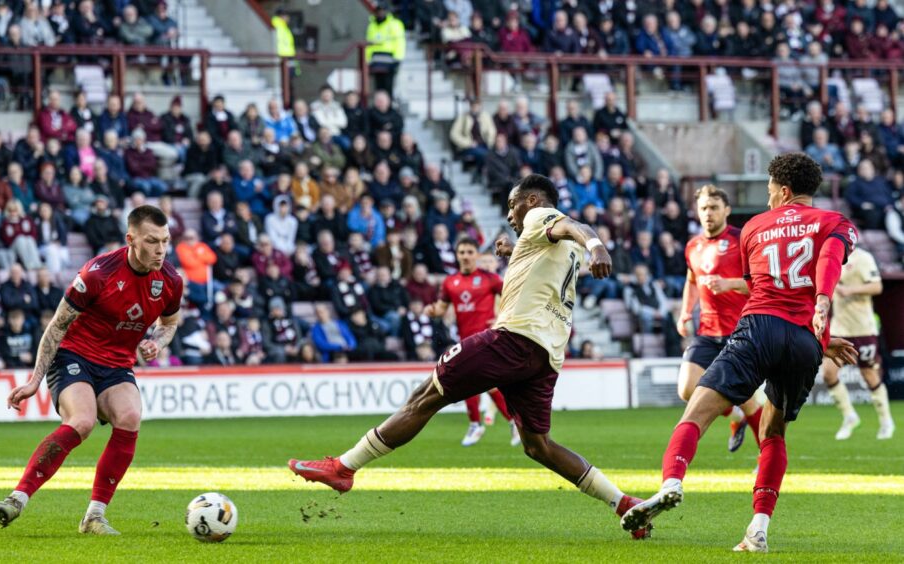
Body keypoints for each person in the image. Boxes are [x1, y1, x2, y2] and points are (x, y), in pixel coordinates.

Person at [289, 173, 653, 540]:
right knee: (537, 445)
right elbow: (549, 261)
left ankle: (344, 468)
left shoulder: (542, 216)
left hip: (513, 339)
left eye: (512, 205)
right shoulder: (561, 247)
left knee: (424, 398)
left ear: (530, 200)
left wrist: (597, 244)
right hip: (545, 357)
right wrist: (517, 252)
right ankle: (624, 503)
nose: (510, 215)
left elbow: (575, 225)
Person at [621, 153, 861, 553]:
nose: (768, 199)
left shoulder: (753, 228)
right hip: (804, 341)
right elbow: (828, 260)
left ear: (783, 191)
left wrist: (815, 305)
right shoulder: (835, 222)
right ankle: (758, 529)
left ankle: (670, 484)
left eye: (769, 192)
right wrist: (822, 314)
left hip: (758, 328)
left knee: (696, 409)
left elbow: (766, 288)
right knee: (773, 432)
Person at [0, 205, 183, 535]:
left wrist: (158, 342)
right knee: (81, 421)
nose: (161, 250)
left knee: (130, 417)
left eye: (165, 241)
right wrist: (35, 380)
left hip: (117, 365)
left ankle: (94, 516)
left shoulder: (169, 281)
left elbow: (170, 323)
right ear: (131, 239)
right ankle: (17, 499)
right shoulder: (98, 273)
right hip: (74, 356)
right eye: (152, 241)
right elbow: (57, 326)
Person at [676, 185, 763, 455]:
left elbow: (761, 284)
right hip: (707, 330)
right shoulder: (693, 245)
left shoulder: (742, 241)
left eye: (714, 207)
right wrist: (685, 311)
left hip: (740, 332)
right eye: (703, 208)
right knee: (687, 389)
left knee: (749, 401)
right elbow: (692, 280)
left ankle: (767, 456)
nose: (708, 213)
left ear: (727, 210)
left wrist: (730, 284)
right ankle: (733, 412)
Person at [424, 237, 518, 447]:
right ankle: (511, 422)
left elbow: (513, 297)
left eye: (469, 252)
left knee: (468, 380)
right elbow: (441, 308)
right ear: (457, 256)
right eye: (462, 252)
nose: (465, 256)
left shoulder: (490, 279)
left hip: (488, 339)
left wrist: (501, 318)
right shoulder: (450, 282)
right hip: (466, 341)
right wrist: (432, 311)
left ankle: (478, 424)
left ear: (476, 255)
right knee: (486, 384)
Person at [822, 247, 894, 441]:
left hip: (863, 328)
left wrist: (850, 290)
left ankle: (886, 421)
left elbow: (877, 286)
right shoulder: (829, 258)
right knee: (828, 373)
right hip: (839, 329)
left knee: (868, 373)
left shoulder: (862, 258)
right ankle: (849, 416)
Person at [365, 2, 406, 94]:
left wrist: (398, 59)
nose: (380, 13)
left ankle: (389, 107)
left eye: (383, 11)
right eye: (378, 11)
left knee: (388, 88)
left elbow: (400, 42)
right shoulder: (372, 25)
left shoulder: (395, 24)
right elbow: (369, 44)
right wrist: (368, 60)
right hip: (376, 61)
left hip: (389, 60)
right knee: (378, 89)